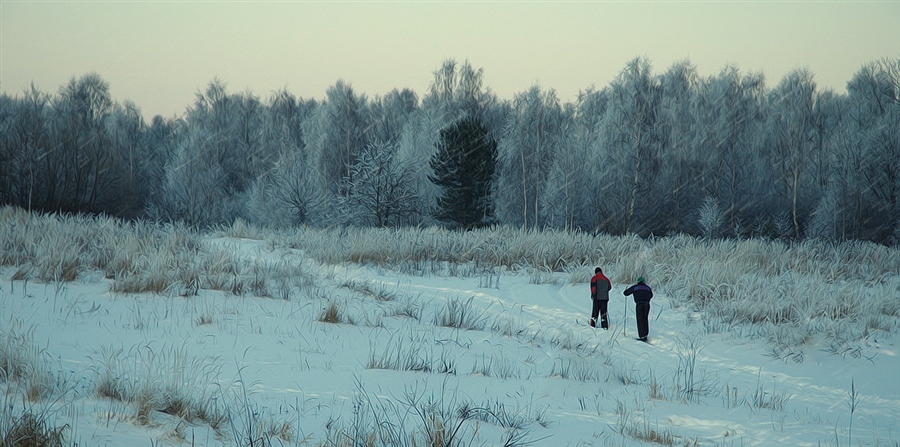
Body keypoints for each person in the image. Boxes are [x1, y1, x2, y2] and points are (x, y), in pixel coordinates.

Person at [623, 277, 653, 341]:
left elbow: (626, 293)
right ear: (644, 282)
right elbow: (651, 295)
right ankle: (645, 334)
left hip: (639, 304)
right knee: (645, 319)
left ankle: (642, 336)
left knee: (640, 319)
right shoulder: (647, 287)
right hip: (647, 304)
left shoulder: (636, 287)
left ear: (638, 282)